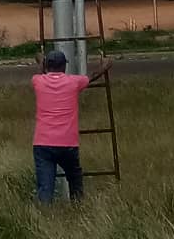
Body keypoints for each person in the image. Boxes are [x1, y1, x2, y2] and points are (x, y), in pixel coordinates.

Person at [31, 49, 114, 205]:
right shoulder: (74, 82)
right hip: (67, 142)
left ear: (47, 66)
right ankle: (77, 208)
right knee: (75, 178)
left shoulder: (38, 81)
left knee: (45, 186)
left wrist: (41, 61)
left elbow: (41, 73)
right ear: (64, 66)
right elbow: (91, 77)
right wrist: (104, 67)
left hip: (43, 142)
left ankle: (44, 218)